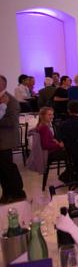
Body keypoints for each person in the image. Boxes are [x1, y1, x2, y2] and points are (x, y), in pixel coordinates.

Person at [0, 75, 26, 203]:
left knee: (8, 167)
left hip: (6, 139)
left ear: (3, 84)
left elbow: (12, 121)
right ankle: (6, 193)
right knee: (2, 169)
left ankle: (17, 192)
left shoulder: (11, 100)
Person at [27, 107, 65, 173]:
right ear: (42, 116)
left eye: (52, 114)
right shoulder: (44, 128)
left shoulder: (40, 125)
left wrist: (53, 140)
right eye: (49, 115)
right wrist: (59, 145)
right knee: (72, 154)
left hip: (49, 152)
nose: (52, 116)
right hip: (50, 153)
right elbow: (45, 145)